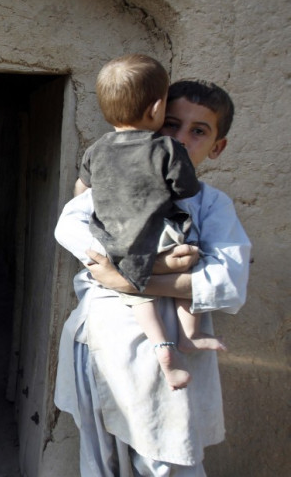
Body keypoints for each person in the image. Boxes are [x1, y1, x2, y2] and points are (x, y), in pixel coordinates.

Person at [54, 79, 251, 475]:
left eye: (198, 131)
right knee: (100, 461)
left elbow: (227, 283)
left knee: (166, 462)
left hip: (167, 363)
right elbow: (71, 231)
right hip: (100, 344)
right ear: (152, 124)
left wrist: (124, 279)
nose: (180, 139)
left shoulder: (211, 205)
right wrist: (162, 267)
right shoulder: (108, 191)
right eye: (172, 125)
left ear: (217, 147)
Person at [74, 54, 224, 391]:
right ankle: (192, 333)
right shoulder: (167, 148)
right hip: (157, 235)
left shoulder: (95, 150)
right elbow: (186, 189)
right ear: (157, 109)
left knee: (140, 300)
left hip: (114, 242)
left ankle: (163, 349)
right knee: (188, 263)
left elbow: (81, 191)